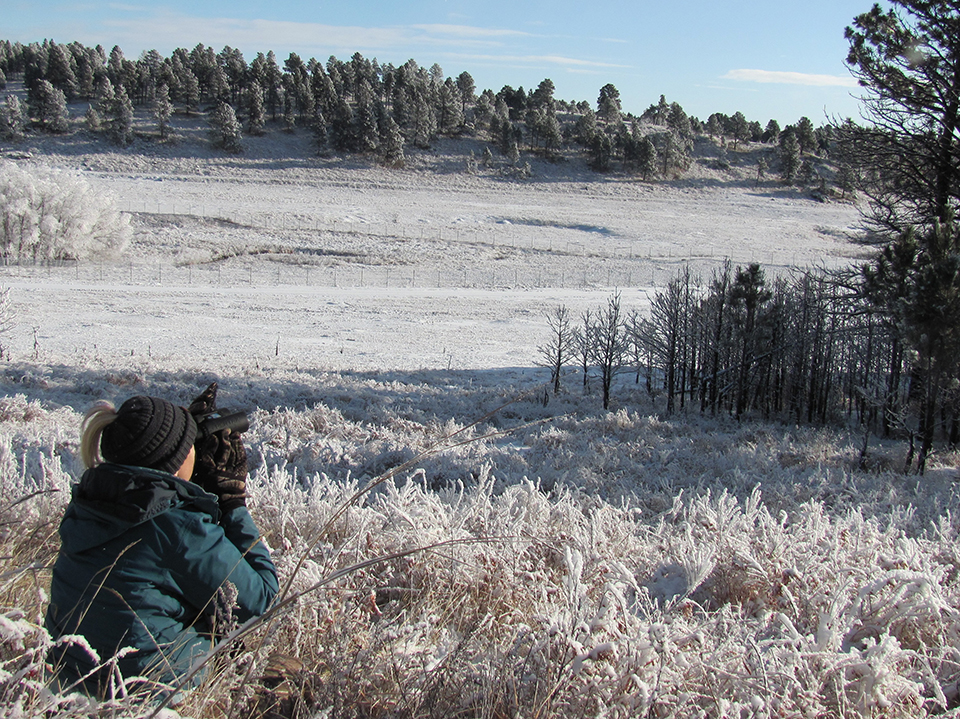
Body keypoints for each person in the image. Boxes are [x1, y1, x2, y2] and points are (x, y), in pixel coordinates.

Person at [45, 384, 278, 697]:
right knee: (283, 674)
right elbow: (261, 598)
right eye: (189, 446)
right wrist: (232, 501)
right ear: (176, 460)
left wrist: (186, 487)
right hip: (146, 692)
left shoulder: (85, 505)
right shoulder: (177, 527)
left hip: (65, 677)